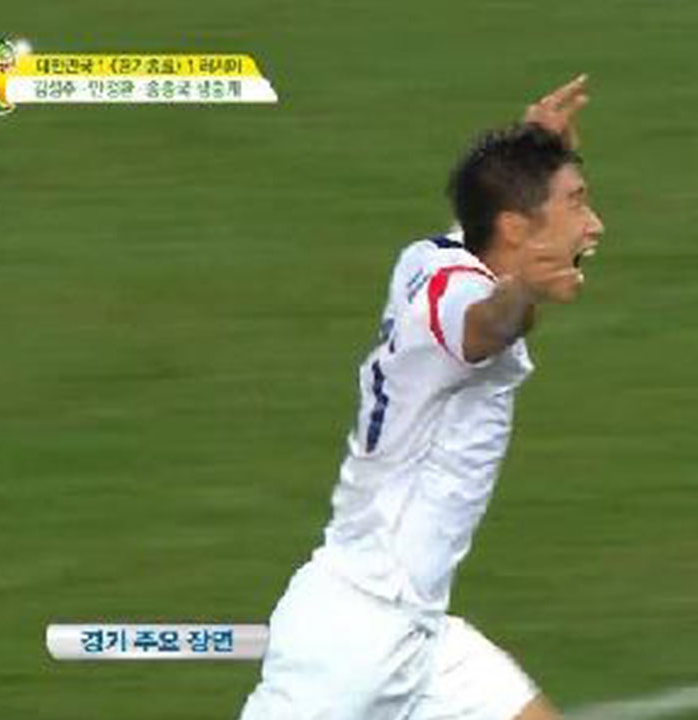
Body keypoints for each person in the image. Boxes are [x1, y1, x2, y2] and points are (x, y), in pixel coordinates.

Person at [238, 75, 604, 720]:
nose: (594, 225)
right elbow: (485, 327)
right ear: (517, 229)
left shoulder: (432, 257)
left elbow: (484, 226)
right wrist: (524, 291)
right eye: (576, 204)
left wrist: (531, 144)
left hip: (421, 637)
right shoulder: (458, 304)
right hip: (351, 641)